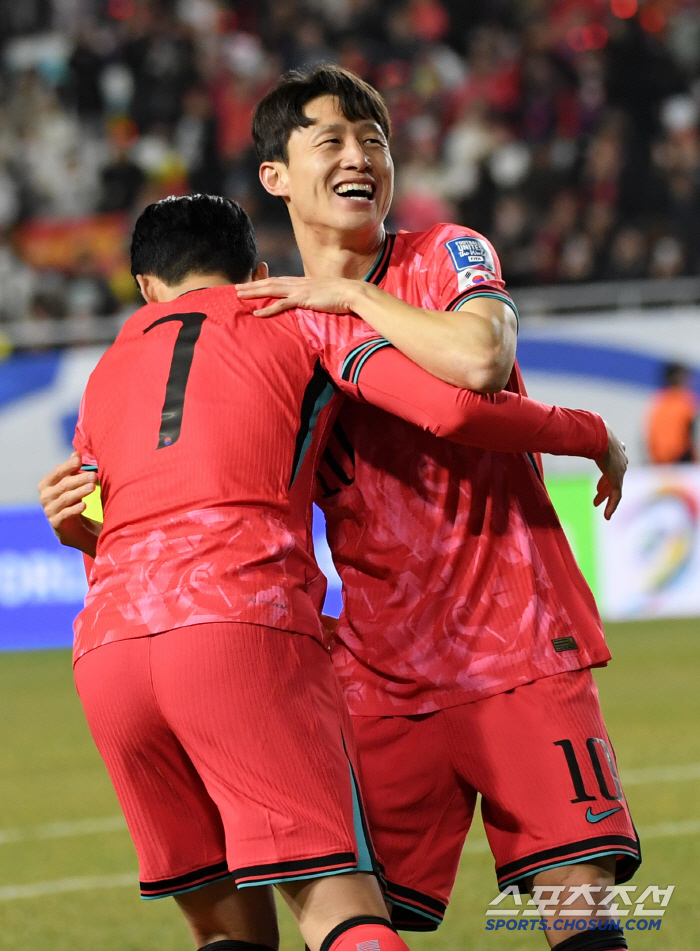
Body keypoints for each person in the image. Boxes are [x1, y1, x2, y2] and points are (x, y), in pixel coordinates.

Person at [39, 194, 625, 951]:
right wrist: (592, 433)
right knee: (341, 911)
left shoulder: (107, 368)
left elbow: (99, 521)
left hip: (110, 656)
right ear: (258, 271)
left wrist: (72, 527)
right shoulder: (291, 317)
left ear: (145, 287)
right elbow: (455, 410)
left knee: (224, 930)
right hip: (239, 631)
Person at [234, 65, 639, 950]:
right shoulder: (271, 332)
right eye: (331, 140)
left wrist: (352, 294)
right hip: (380, 676)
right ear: (275, 174)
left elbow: (481, 360)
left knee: (576, 898)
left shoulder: (446, 253)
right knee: (344, 911)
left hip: (520, 645)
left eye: (373, 140)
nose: (359, 157)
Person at [646, 361, 697, 464]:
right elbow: (690, 435)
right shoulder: (686, 401)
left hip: (659, 462)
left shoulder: (658, 401)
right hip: (681, 461)